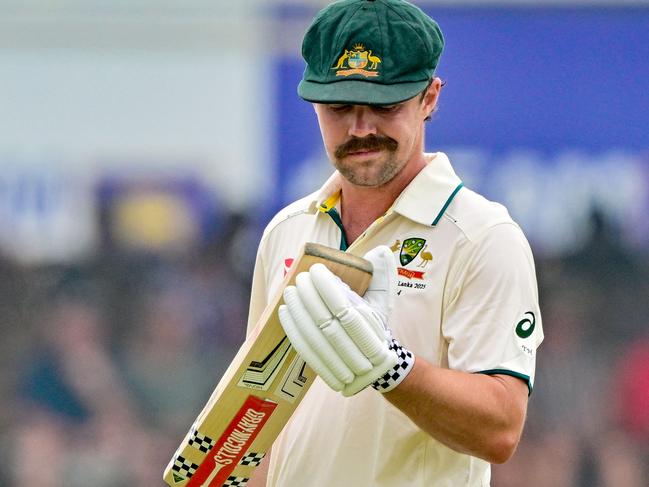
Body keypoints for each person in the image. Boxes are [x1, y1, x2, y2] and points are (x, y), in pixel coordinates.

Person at [246, 0, 543, 485]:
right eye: (340, 107)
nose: (361, 128)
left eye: (384, 105)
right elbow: (261, 413)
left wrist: (390, 367)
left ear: (430, 97)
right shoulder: (287, 229)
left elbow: (501, 428)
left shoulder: (483, 236)